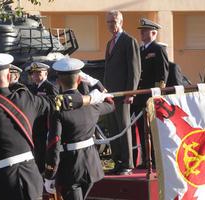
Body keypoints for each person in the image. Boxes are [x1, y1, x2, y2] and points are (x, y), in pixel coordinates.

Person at [0, 53, 108, 199]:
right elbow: (61, 102)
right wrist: (91, 97)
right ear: (9, 76)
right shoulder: (28, 99)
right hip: (31, 175)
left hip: (3, 180)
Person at [44, 57, 114, 200]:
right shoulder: (92, 104)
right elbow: (110, 102)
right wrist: (95, 82)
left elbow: (54, 143)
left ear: (58, 81)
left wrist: (50, 173)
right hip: (91, 165)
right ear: (80, 80)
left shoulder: (57, 109)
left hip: (69, 168)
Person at [104, 10, 141, 175]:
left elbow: (134, 70)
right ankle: (117, 161)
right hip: (111, 95)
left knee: (124, 128)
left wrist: (130, 93)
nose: (111, 24)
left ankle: (128, 163)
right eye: (109, 22)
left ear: (121, 21)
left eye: (114, 21)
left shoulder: (129, 41)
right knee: (113, 128)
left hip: (123, 94)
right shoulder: (109, 43)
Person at [132, 18, 169, 168]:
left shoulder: (158, 49)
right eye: (141, 30)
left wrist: (156, 94)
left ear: (154, 33)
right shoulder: (140, 50)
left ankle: (154, 159)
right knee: (142, 128)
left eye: (145, 30)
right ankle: (146, 159)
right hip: (139, 95)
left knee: (152, 130)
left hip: (150, 96)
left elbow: (162, 74)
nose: (142, 33)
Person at [25, 62, 58, 174]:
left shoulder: (50, 87)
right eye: (34, 73)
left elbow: (54, 106)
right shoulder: (33, 88)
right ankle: (38, 169)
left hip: (45, 123)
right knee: (36, 148)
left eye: (39, 73)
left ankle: (42, 171)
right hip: (35, 123)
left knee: (43, 148)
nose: (35, 75)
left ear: (45, 73)